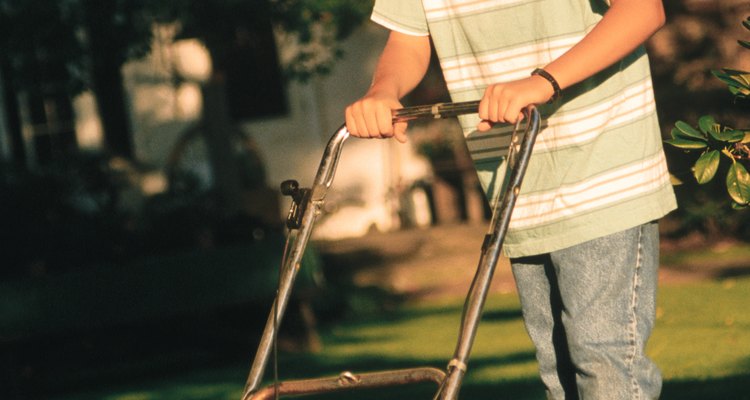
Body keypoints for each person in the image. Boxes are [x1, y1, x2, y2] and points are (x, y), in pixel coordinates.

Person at [345, 0, 677, 399]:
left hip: (604, 166)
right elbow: (410, 41)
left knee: (604, 363)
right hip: (515, 182)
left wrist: (544, 82)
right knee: (559, 373)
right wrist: (383, 91)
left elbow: (643, 11)